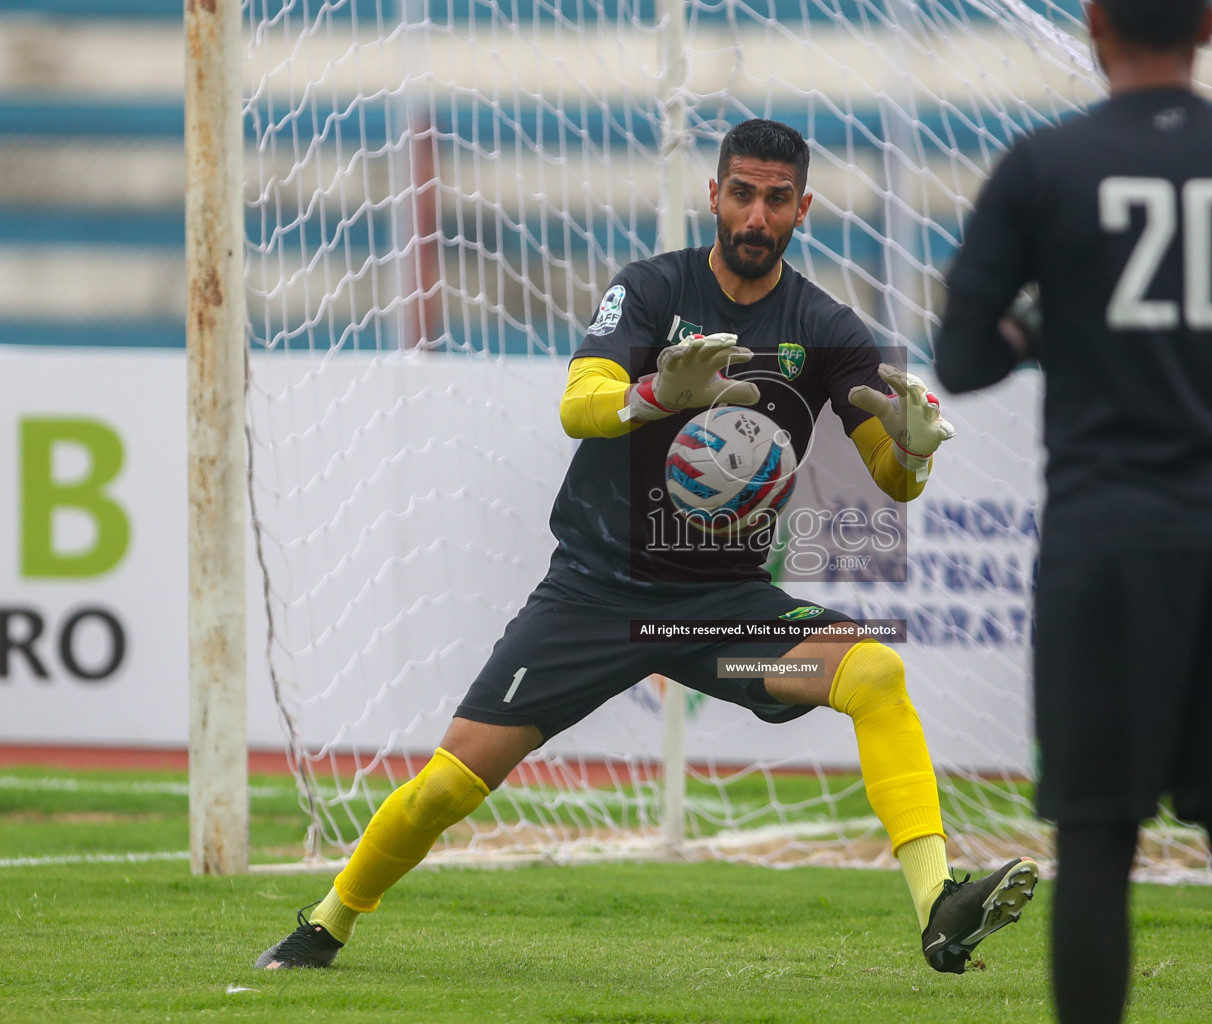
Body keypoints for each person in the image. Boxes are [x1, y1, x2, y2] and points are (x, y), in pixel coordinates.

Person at [256, 118, 1037, 975]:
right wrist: (659, 391)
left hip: (721, 620)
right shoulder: (652, 291)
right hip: (595, 598)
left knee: (875, 672)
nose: (755, 216)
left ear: (802, 208)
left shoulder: (826, 328)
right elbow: (579, 402)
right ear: (714, 194)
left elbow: (891, 475)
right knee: (448, 784)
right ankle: (328, 920)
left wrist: (916, 448)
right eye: (741, 193)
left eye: (777, 199)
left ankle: (938, 906)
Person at [932, 2, 1212, 1021]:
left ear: (1093, 25)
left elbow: (961, 358)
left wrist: (1051, 326)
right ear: (1211, 26)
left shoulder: (1042, 166)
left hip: (1105, 543)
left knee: (1097, 846)